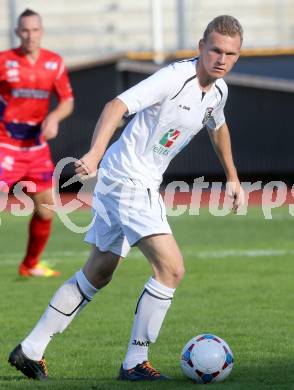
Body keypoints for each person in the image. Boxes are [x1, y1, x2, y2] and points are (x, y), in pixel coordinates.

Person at [8, 15, 244, 380]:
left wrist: (232, 177)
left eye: (230, 53)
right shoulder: (173, 78)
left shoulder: (219, 91)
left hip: (130, 180)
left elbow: (218, 125)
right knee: (171, 268)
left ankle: (30, 348)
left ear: (237, 56)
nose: (221, 59)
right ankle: (135, 361)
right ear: (201, 47)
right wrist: (94, 153)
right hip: (126, 179)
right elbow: (115, 107)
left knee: (98, 271)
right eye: (215, 49)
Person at [0, 9, 74, 277]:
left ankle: (30, 265)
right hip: (5, 145)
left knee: (47, 208)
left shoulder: (54, 63)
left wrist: (54, 116)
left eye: (35, 30)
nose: (30, 35)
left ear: (41, 31)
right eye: (25, 30)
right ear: (17, 32)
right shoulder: (4, 61)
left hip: (36, 148)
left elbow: (67, 101)